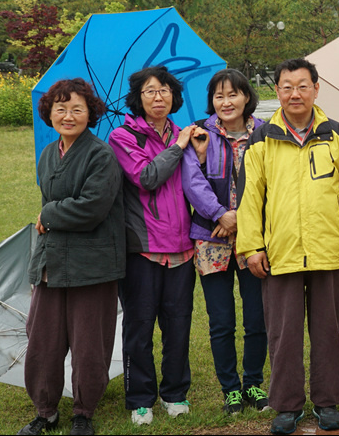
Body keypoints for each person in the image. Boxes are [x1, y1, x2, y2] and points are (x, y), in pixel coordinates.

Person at [237, 58, 339, 435]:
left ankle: (327, 403)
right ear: (275, 91)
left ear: (316, 88)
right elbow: (250, 198)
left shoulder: (336, 134)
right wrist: (251, 247)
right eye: (287, 86)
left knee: (328, 330)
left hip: (328, 250)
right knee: (283, 332)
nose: (295, 93)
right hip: (280, 253)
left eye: (302, 85)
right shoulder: (262, 139)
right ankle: (287, 405)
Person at [19, 79, 124, 436]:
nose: (68, 115)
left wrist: (49, 216)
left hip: (92, 263)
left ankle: (84, 411)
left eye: (77, 108)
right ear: (48, 112)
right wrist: (50, 213)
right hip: (51, 263)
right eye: (60, 108)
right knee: (43, 338)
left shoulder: (101, 155)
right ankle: (45, 410)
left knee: (88, 342)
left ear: (90, 113)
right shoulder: (48, 153)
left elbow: (93, 208)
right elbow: (51, 197)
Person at [108, 66, 197, 426]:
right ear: (138, 98)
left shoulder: (187, 133)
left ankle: (175, 393)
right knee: (139, 327)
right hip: (142, 248)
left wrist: (198, 152)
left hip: (182, 247)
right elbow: (146, 177)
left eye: (164, 90)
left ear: (174, 96)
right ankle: (141, 399)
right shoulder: (123, 136)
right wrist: (179, 147)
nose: (158, 96)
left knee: (178, 325)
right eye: (149, 91)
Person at [181, 69, 268, 414]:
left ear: (247, 96)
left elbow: (270, 183)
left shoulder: (265, 133)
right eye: (219, 96)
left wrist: (240, 220)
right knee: (221, 320)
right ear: (211, 101)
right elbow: (192, 181)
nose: (226, 101)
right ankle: (230, 388)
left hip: (254, 238)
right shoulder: (200, 133)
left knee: (256, 316)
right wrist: (220, 215)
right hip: (210, 236)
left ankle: (254, 383)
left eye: (233, 94)